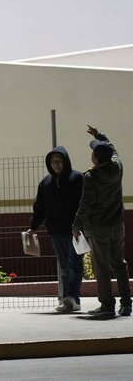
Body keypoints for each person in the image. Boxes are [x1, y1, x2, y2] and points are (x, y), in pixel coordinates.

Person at [72, 124, 130, 317]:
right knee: (119, 263)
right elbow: (112, 148)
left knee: (102, 267)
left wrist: (76, 225)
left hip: (98, 229)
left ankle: (107, 304)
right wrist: (100, 135)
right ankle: (126, 302)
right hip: (117, 225)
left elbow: (86, 205)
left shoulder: (91, 177)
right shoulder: (117, 166)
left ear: (95, 158)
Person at [27, 146, 83, 313]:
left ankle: (72, 298)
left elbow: (84, 204)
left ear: (66, 161)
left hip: (75, 232)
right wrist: (33, 226)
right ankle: (67, 298)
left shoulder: (77, 179)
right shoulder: (46, 183)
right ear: (49, 163)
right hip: (56, 232)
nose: (56, 164)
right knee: (64, 266)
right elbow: (40, 207)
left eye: (59, 160)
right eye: (53, 161)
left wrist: (81, 226)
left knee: (75, 265)